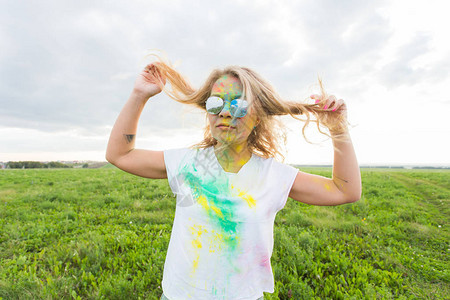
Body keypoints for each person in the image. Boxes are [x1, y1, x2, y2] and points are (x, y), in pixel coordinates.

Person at [106, 57, 361, 300]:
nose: (225, 113)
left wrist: (338, 130)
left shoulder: (272, 175)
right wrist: (139, 95)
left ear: (258, 115)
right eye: (216, 103)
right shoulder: (187, 163)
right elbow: (120, 154)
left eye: (238, 105)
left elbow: (344, 191)